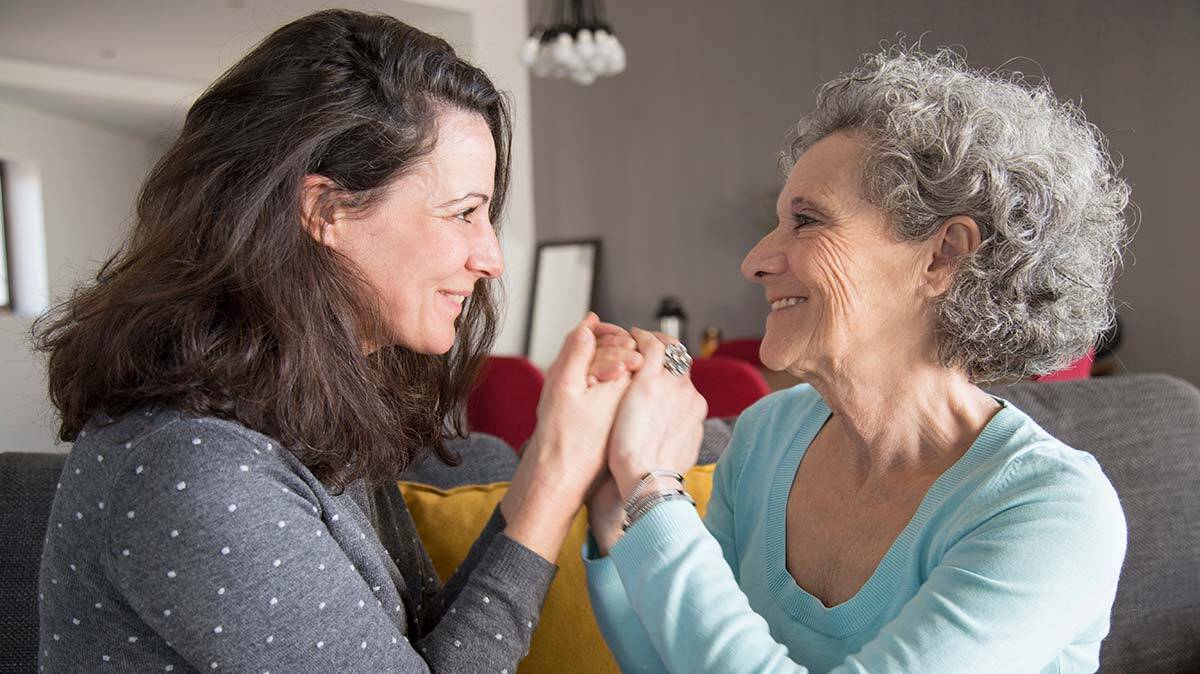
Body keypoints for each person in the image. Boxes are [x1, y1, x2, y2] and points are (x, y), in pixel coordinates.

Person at [33, 10, 644, 672]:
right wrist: (555, 473)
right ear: (325, 210)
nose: (491, 257)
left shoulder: (294, 407)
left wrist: (547, 464)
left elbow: (419, 651)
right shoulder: (197, 467)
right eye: (464, 213)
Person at [583, 47, 1131, 673]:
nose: (755, 261)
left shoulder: (1051, 511)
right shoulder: (765, 437)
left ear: (942, 255)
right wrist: (616, 509)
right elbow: (673, 660)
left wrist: (656, 492)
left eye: (807, 221)